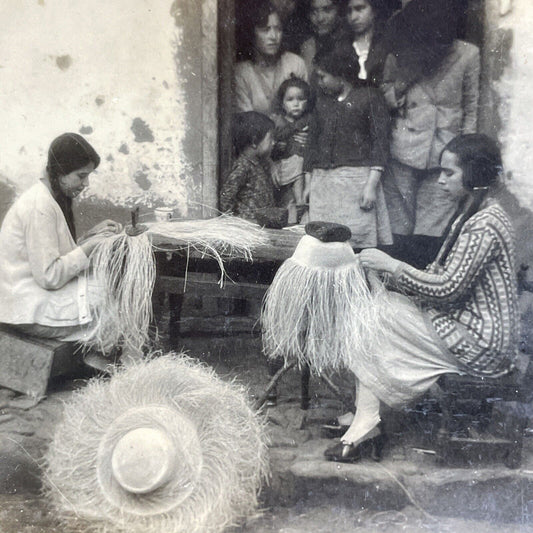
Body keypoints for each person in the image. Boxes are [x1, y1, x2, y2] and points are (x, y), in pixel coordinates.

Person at [325, 134, 519, 462]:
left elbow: (447, 288)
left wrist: (392, 266)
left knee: (375, 317)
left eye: (449, 173)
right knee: (378, 310)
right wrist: (387, 275)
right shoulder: (474, 211)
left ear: (474, 174)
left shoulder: (485, 223)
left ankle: (366, 420)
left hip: (484, 344)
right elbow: (442, 276)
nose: (441, 180)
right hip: (472, 328)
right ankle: (365, 415)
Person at [380, 0, 480, 268]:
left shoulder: (467, 54)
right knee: (399, 226)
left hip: (444, 156)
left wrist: (464, 155)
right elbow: (385, 96)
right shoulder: (399, 54)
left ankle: (423, 288)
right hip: (403, 150)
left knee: (432, 230)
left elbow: (471, 107)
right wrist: (401, 84)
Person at [0, 133, 122, 341]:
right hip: (26, 310)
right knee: (117, 298)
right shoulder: (40, 205)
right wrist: (90, 246)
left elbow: (53, 252)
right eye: (81, 176)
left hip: (25, 300)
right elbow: (50, 276)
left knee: (109, 288)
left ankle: (103, 360)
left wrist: (91, 235)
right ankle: (110, 365)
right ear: (60, 172)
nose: (86, 184)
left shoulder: (44, 197)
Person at [305, 44, 392, 249]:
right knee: (322, 243)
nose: (319, 82)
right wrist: (308, 183)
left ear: (340, 75)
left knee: (354, 242)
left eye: (322, 76)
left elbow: (380, 142)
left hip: (356, 184)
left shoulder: (370, 97)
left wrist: (371, 186)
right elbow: (312, 144)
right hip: (323, 184)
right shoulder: (321, 102)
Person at [234, 0, 308, 115]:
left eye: (278, 29)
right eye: (265, 30)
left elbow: (306, 111)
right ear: (252, 33)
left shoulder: (295, 64)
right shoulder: (241, 73)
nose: (273, 37)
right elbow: (246, 122)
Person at [219, 111, 277, 223]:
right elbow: (226, 198)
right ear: (255, 141)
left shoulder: (259, 164)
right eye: (270, 139)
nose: (274, 143)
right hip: (247, 226)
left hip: (260, 225)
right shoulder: (243, 166)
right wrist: (230, 224)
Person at [271, 76, 314, 221]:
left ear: (307, 101)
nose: (296, 104)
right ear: (282, 104)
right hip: (284, 169)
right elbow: (273, 147)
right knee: (287, 202)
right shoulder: (278, 122)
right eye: (290, 100)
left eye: (300, 99)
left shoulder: (309, 120)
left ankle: (301, 206)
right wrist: (279, 147)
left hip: (305, 169)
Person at [345, 0, 398, 85]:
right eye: (349, 11)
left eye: (359, 9)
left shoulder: (388, 44)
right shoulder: (341, 46)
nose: (353, 17)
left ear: (374, 11)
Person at [299, 0, 348, 73]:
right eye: (314, 12)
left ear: (339, 11)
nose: (320, 18)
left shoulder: (351, 43)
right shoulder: (307, 47)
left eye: (327, 10)